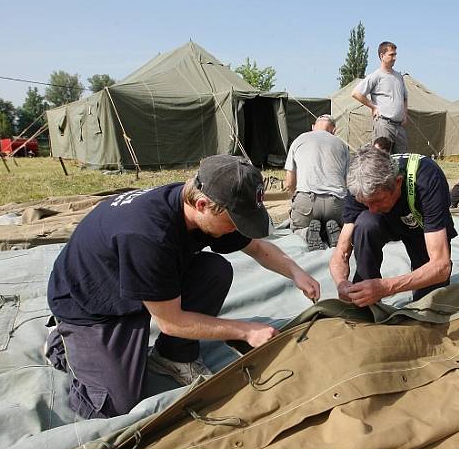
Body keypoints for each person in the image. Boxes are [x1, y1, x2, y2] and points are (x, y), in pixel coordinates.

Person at [45, 155, 321, 419]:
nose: (236, 229)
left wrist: (296, 273)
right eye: (234, 222)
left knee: (215, 270)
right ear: (202, 205)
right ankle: (62, 342)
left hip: (144, 280)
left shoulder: (201, 202)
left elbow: (257, 247)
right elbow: (171, 322)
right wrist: (246, 330)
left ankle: (173, 355)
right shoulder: (149, 235)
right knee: (115, 404)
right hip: (92, 304)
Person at [329, 146, 455, 307]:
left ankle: (375, 291)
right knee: (365, 223)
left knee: (429, 303)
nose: (372, 208)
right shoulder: (360, 186)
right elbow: (341, 252)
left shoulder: (427, 179)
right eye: (366, 203)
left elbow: (441, 266)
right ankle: (367, 298)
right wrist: (341, 283)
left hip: (421, 227)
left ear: (398, 182)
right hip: (386, 223)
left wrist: (385, 287)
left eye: (377, 201)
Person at [285, 114, 350, 250]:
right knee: (338, 222)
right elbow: (347, 182)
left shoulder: (299, 140)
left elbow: (289, 182)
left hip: (307, 202)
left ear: (313, 127)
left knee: (296, 228)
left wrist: (294, 200)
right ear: (334, 130)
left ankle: (307, 232)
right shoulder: (342, 145)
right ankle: (334, 229)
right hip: (336, 204)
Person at [352, 41, 408, 154]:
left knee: (402, 160)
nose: (394, 58)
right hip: (384, 124)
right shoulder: (376, 76)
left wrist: (405, 114)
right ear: (382, 56)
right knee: (381, 158)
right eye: (391, 55)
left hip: (399, 126)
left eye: (395, 54)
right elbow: (356, 93)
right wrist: (373, 107)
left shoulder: (399, 77)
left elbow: (405, 97)